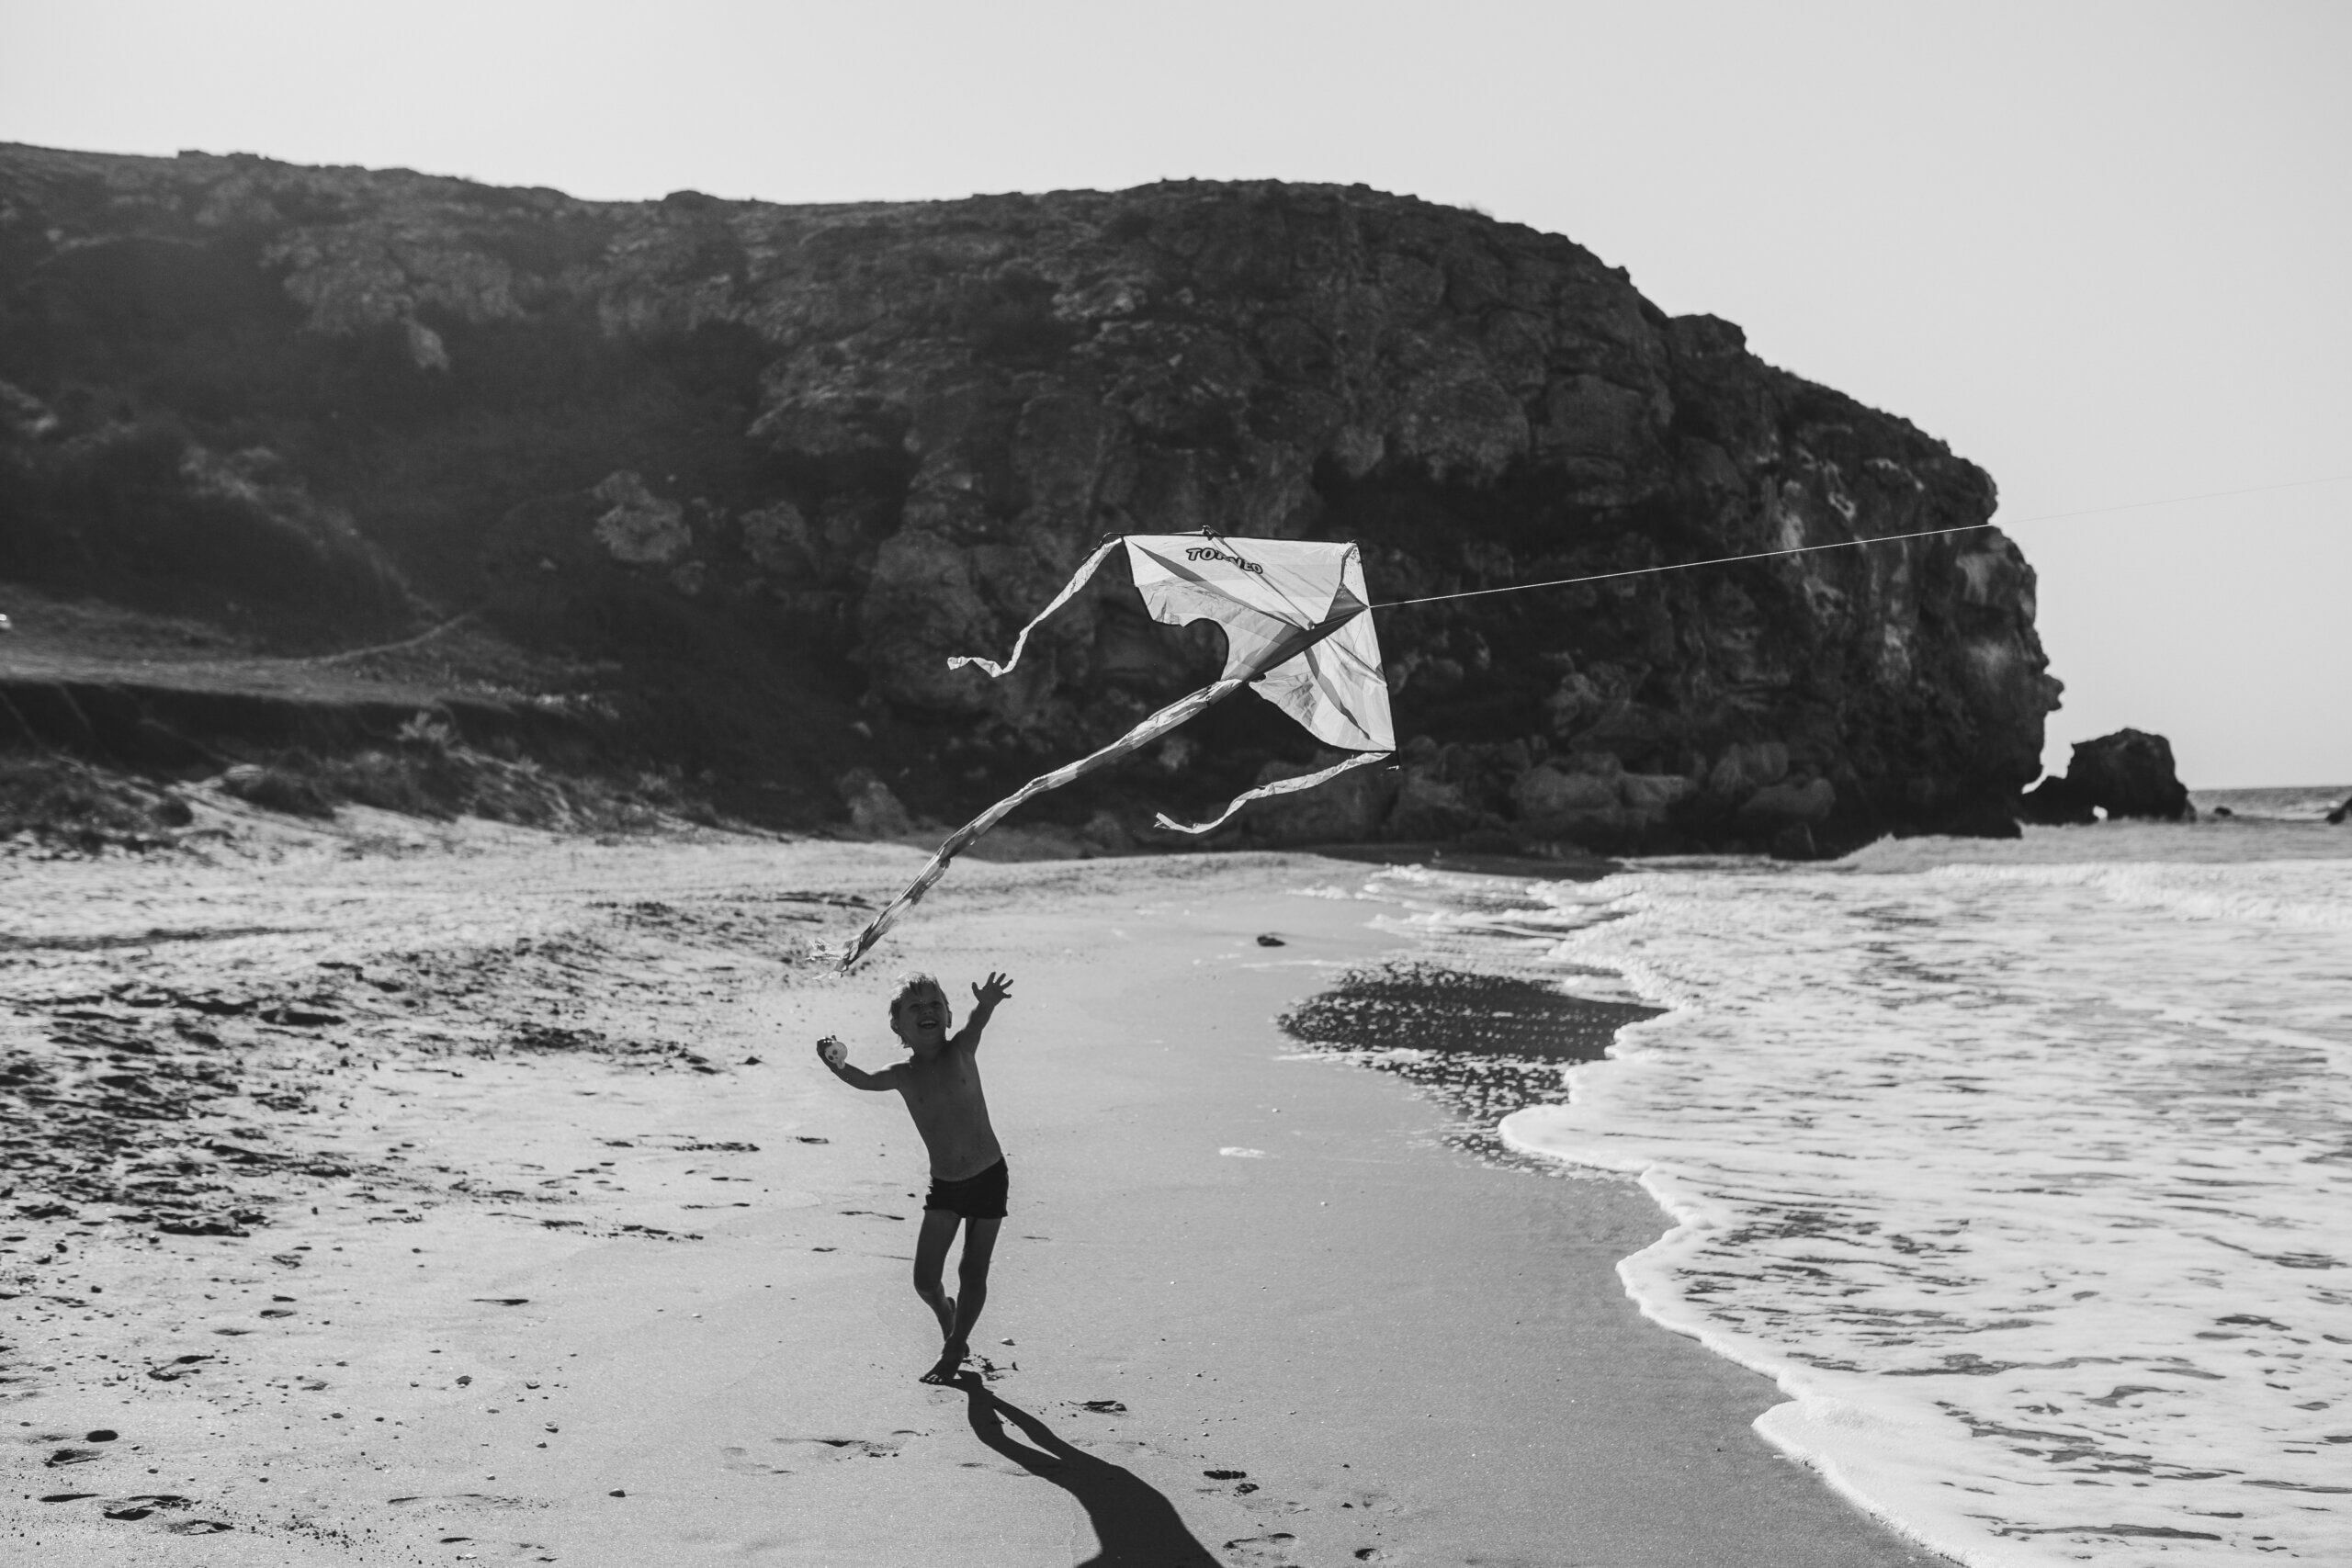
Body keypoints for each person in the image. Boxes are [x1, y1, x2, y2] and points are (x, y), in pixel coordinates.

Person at [818, 969, 1015, 1383]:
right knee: (926, 1280)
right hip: (945, 1186)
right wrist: (837, 1064)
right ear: (897, 1024)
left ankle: (952, 1352)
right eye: (915, 1006)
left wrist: (987, 1002)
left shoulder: (961, 1049)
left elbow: (977, 1022)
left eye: (934, 1004)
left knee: (972, 1271)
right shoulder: (902, 1074)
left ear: (947, 1016)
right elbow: (866, 1081)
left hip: (988, 1176)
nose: (926, 1010)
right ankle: (950, 1319)